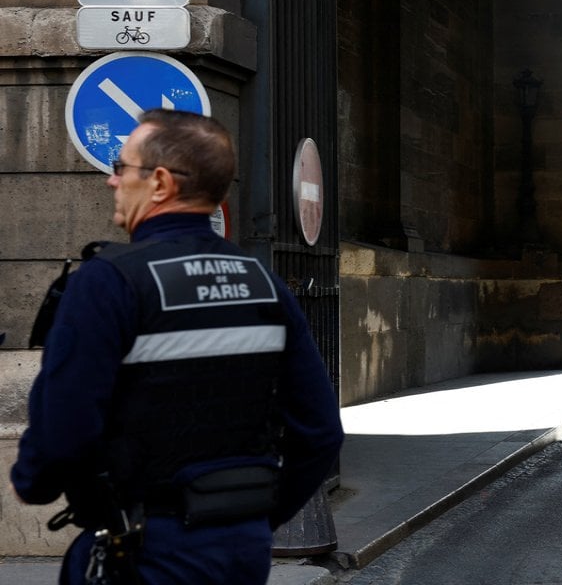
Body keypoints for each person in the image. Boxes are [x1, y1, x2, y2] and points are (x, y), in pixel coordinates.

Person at [11, 110, 344, 585]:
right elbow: (321, 432)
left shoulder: (109, 282)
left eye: (121, 167)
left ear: (161, 183)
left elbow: (65, 428)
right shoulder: (263, 283)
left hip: (145, 548)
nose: (112, 181)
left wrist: (31, 481)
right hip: (241, 551)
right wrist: (255, 519)